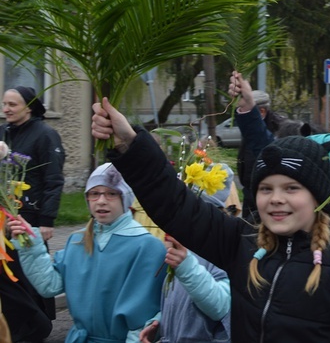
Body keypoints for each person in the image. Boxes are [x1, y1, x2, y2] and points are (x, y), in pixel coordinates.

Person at [91, 98, 330, 342]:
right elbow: (174, 204)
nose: (276, 198)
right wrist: (131, 142)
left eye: (292, 188)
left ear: (317, 197)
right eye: (266, 188)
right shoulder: (241, 243)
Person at [9, 163, 166, 342]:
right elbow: (49, 286)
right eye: (94, 193)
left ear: (126, 197)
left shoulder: (146, 246)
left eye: (111, 193)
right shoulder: (77, 241)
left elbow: (142, 318)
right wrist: (30, 245)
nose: (101, 200)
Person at [139, 173, 235, 343]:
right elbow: (180, 301)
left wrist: (186, 267)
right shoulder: (183, 246)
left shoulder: (224, 249)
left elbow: (220, 306)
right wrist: (160, 323)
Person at [0, 86, 65, 335]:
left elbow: (53, 179)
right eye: (4, 104)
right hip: (3, 217)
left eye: (12, 104)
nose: (6, 109)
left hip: (29, 218)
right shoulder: (3, 133)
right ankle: (15, 325)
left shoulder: (45, 135)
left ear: (29, 107)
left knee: (27, 273)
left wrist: (47, 219)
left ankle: (36, 324)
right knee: (9, 275)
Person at [229, 71, 276, 220]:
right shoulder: (251, 130)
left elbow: (268, 151)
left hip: (265, 198)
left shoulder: (282, 130)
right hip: (250, 195)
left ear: (261, 112)